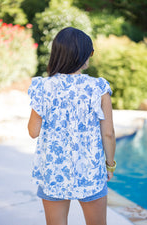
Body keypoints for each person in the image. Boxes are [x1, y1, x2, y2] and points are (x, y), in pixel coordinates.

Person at [28, 27, 116, 225]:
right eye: (90, 52)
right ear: (82, 55)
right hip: (90, 172)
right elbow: (108, 134)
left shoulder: (42, 87)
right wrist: (110, 165)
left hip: (53, 173)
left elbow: (33, 132)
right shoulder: (99, 87)